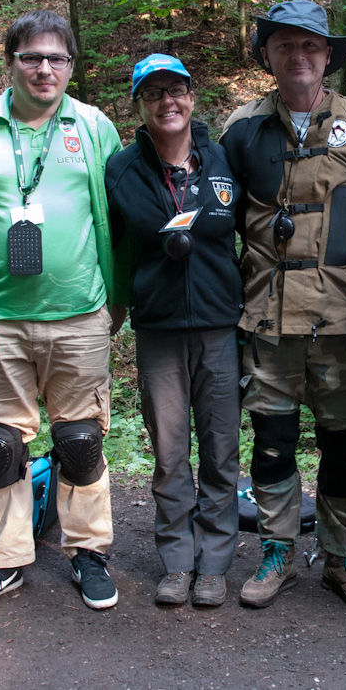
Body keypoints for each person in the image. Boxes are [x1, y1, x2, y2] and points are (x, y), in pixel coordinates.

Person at [0, 9, 123, 618]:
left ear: (71, 65)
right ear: (9, 60)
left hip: (82, 313)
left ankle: (88, 552)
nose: (45, 68)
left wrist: (120, 302)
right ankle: (4, 561)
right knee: (0, 442)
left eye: (57, 58)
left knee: (81, 438)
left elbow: (124, 213)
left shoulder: (93, 127)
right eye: (32, 57)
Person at [220, 0, 346, 611]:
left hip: (342, 316)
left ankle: (342, 555)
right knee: (272, 437)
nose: (298, 57)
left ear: (328, 57)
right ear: (267, 56)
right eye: (284, 46)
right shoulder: (242, 127)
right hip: (266, 313)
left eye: (310, 47)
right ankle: (277, 551)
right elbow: (220, 215)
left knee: (342, 439)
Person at [105, 54, 243, 607]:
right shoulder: (122, 169)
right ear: (139, 104)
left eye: (177, 90)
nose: (169, 101)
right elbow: (126, 241)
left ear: (192, 96)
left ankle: (213, 563)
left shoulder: (224, 159)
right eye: (155, 92)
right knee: (169, 451)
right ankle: (177, 560)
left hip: (218, 325)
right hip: (159, 328)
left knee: (221, 448)